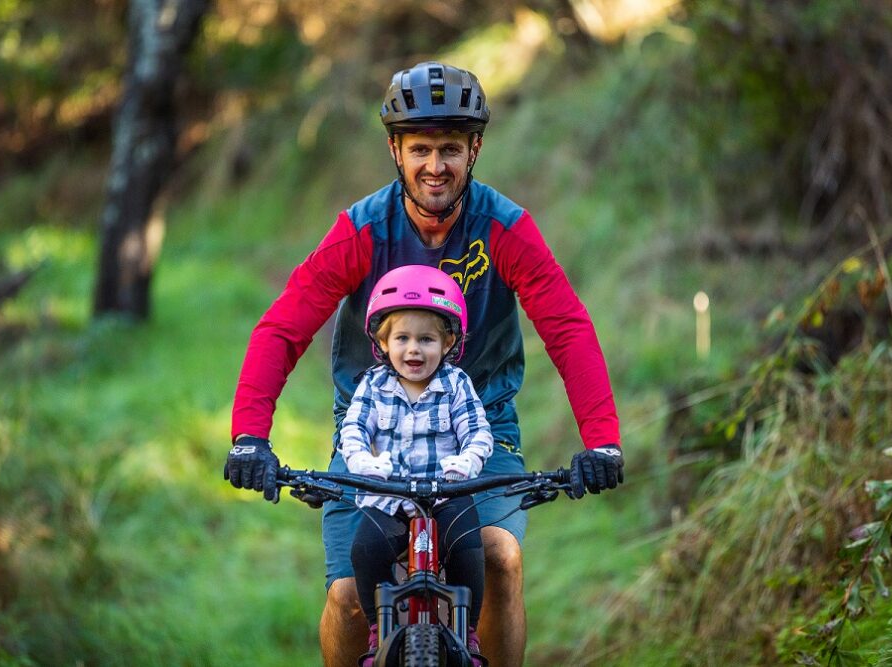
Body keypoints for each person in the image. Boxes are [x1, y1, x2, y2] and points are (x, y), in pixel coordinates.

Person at [224, 60, 624, 667]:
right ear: (395, 150)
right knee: (346, 597)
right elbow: (282, 328)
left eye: (450, 149)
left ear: (475, 150)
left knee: (501, 561)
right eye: (420, 149)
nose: (435, 166)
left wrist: (602, 442)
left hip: (479, 426)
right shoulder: (362, 230)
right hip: (372, 429)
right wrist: (250, 436)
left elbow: (566, 328)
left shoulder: (504, 229)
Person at [343, 265, 492, 666]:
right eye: (402, 338)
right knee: (365, 549)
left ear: (447, 343)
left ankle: (468, 630)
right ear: (382, 342)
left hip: (446, 493)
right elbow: (353, 427)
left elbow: (479, 431)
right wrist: (362, 460)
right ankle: (379, 628)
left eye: (426, 339)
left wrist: (467, 461)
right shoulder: (373, 385)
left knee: (468, 547)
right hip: (389, 493)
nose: (414, 350)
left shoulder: (457, 384)